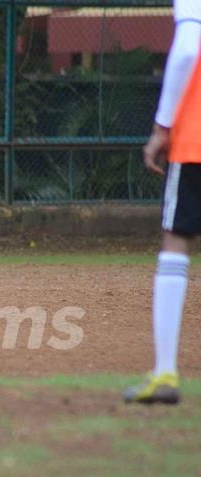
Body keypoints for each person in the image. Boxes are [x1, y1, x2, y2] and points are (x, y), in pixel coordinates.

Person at [124, 0, 201, 405]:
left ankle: (165, 371)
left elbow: (189, 49)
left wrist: (161, 126)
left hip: (196, 141)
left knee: (176, 243)